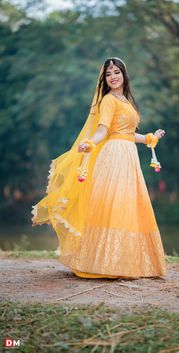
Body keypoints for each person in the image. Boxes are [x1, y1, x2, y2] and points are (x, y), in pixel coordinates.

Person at [32, 57, 167, 279]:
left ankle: (125, 263)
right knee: (111, 205)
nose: (113, 77)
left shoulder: (126, 101)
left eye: (116, 72)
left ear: (124, 74)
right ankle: (99, 263)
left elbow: (128, 134)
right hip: (113, 156)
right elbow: (103, 131)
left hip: (129, 156)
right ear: (104, 79)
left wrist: (151, 137)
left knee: (127, 206)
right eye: (108, 74)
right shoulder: (107, 101)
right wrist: (91, 142)